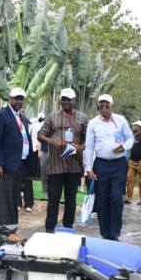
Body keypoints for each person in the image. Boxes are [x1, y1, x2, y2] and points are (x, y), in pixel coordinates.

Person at [38, 88, 88, 233]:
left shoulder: (83, 118)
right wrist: (50, 140)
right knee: (53, 198)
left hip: (74, 165)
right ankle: (49, 228)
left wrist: (79, 148)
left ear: (74, 100)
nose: (66, 102)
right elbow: (40, 135)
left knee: (71, 199)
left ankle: (68, 227)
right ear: (61, 100)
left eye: (69, 99)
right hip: (55, 165)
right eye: (64, 99)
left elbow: (89, 141)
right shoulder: (52, 117)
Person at [84, 94, 134, 240]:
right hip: (101, 164)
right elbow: (89, 146)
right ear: (98, 107)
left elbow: (130, 138)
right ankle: (105, 233)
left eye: (107, 106)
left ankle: (114, 233)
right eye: (101, 106)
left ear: (112, 106)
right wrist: (88, 168)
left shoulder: (121, 120)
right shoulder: (93, 123)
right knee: (102, 199)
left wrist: (124, 147)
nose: (104, 109)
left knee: (117, 198)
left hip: (119, 165)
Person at [0, 87, 35, 241]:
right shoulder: (1, 115)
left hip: (18, 164)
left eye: (21, 99)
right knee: (4, 200)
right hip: (4, 166)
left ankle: (12, 231)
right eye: (16, 98)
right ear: (9, 98)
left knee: (14, 199)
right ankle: (5, 234)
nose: (19, 101)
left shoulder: (21, 118)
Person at [125, 120, 141, 205]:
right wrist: (129, 159)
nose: (133, 127)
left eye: (134, 125)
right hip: (132, 162)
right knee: (129, 179)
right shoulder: (133, 137)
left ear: (139, 127)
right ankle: (129, 198)